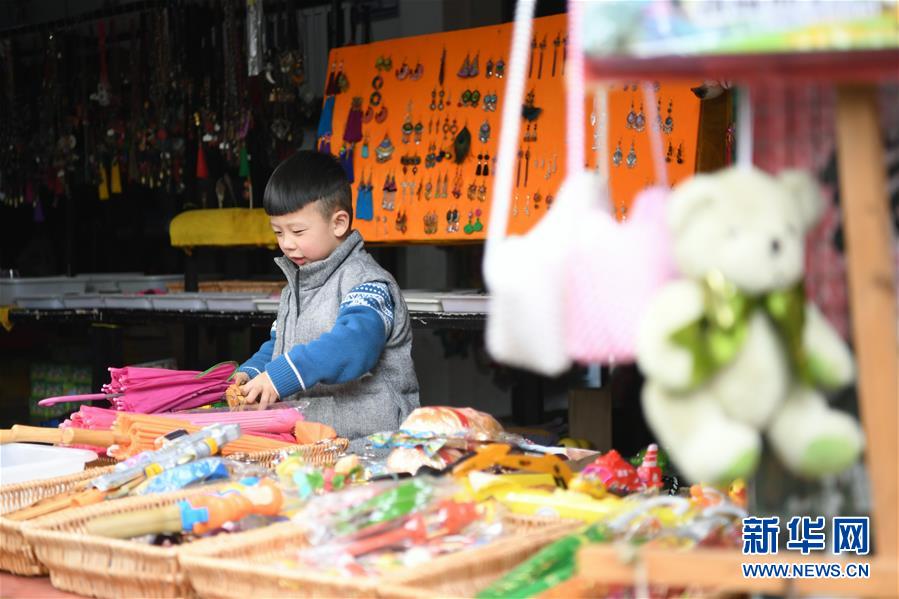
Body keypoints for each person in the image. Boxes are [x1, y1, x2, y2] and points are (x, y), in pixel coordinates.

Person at [233, 150, 419, 445]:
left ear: (338, 223)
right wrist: (252, 375)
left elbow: (353, 345)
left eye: (297, 231)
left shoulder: (366, 281)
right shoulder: (297, 285)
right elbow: (281, 345)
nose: (287, 244)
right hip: (317, 442)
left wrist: (281, 376)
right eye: (278, 232)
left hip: (373, 442)